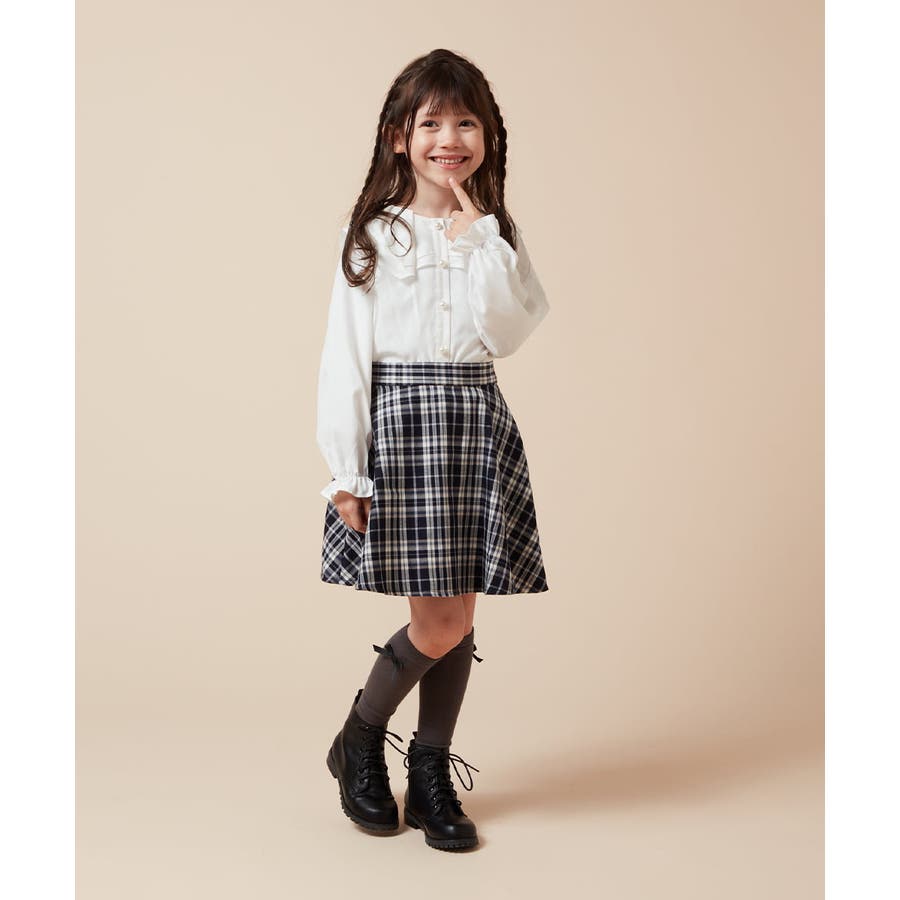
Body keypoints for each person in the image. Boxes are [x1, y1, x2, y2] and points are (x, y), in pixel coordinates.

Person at [317, 48, 550, 852]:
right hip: (404, 429)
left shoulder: (492, 235)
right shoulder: (374, 237)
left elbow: (508, 334)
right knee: (441, 621)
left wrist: (480, 237)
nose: (450, 138)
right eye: (431, 124)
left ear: (488, 136)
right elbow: (345, 355)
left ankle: (427, 774)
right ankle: (360, 737)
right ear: (399, 137)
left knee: (459, 613)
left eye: (466, 123)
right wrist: (346, 470)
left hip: (474, 419)